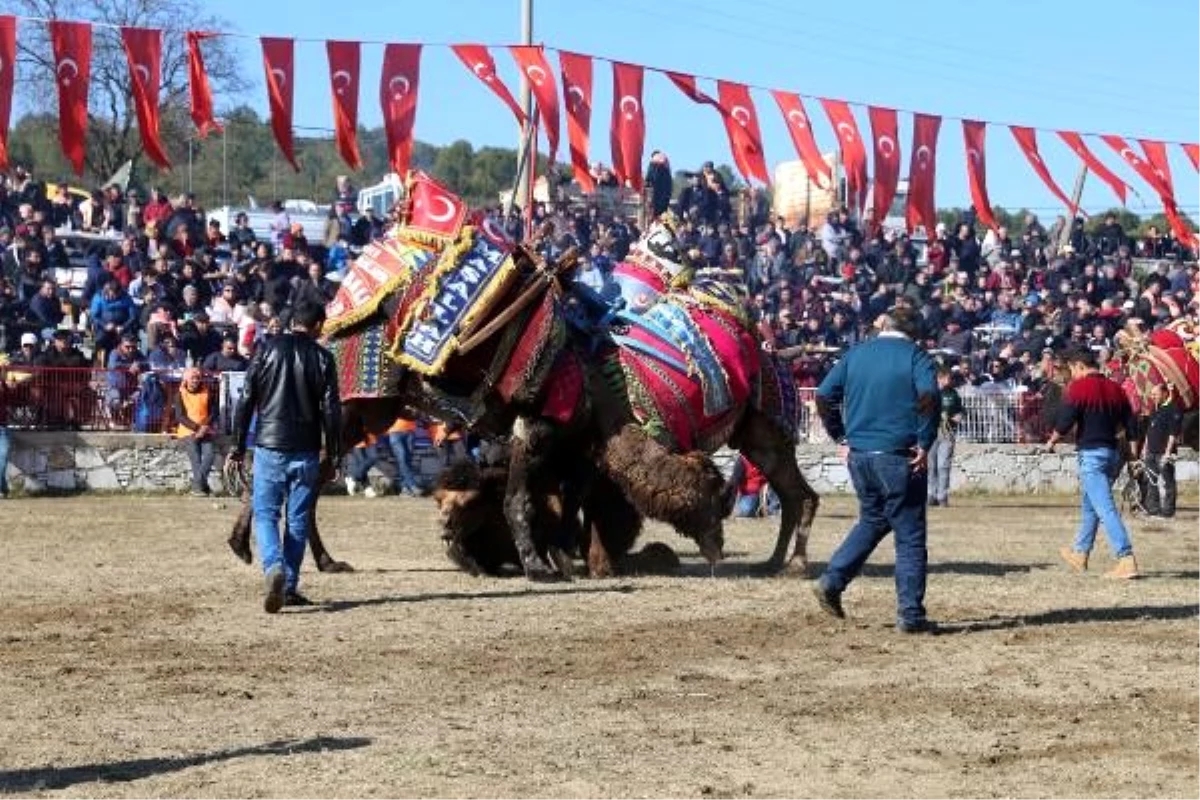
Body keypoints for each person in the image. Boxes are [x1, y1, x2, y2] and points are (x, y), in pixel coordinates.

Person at [812, 306, 941, 634]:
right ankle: (910, 615)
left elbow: (824, 395)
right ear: (914, 331)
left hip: (860, 456)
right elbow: (928, 396)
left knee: (874, 519)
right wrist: (925, 441)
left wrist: (840, 435)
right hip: (900, 456)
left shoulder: (856, 354)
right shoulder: (916, 357)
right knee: (910, 535)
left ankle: (832, 580)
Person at [227, 301, 341, 613]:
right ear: (317, 324)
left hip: (269, 446)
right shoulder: (323, 358)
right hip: (305, 450)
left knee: (265, 515)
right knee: (298, 521)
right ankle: (288, 585)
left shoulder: (266, 349)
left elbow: (247, 398)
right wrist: (334, 454)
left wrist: (237, 446)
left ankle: (273, 568)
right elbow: (332, 411)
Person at [1045, 347, 1140, 579]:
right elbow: (1131, 425)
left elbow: (1066, 420)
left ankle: (1126, 558)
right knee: (1091, 507)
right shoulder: (1116, 388)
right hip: (1112, 454)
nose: (1072, 374)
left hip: (1091, 455)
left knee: (1105, 508)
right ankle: (1080, 553)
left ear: (1079, 365)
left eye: (1072, 370)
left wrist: (1051, 441)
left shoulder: (1079, 388)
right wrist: (1134, 456)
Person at [1138, 382, 1181, 519]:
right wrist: (1145, 449)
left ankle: (1168, 512)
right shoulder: (1155, 410)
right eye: (1152, 394)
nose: (1153, 397)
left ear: (1165, 393)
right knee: (1151, 482)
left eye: (1155, 394)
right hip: (1151, 452)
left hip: (1164, 453)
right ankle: (1153, 510)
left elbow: (1173, 434)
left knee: (1168, 482)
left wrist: (1168, 453)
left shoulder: (1173, 409)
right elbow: (1149, 431)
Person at [174, 367, 219, 496]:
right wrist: (196, 428)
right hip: (188, 431)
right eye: (193, 378)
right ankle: (202, 487)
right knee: (196, 459)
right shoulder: (179, 394)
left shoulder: (207, 392)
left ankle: (197, 486)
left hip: (206, 430)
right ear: (186, 379)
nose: (195, 380)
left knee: (209, 455)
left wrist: (204, 427)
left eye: (198, 378)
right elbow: (180, 416)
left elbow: (213, 412)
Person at [927, 368, 963, 507]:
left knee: (943, 465)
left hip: (947, 433)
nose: (950, 381)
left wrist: (956, 418)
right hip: (931, 431)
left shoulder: (953, 394)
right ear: (939, 378)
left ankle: (942, 496)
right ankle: (931, 494)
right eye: (948, 378)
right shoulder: (929, 392)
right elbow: (921, 410)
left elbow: (960, 411)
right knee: (931, 466)